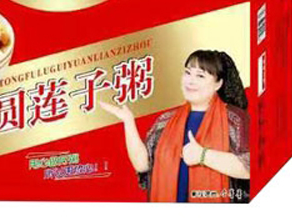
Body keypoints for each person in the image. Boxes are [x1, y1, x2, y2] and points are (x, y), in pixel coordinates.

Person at [100, 50, 250, 203]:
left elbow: (249, 168)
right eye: (188, 73)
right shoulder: (165, 121)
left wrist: (202, 156)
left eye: (200, 76)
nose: (190, 81)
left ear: (218, 83)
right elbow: (142, 165)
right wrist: (128, 121)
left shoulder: (234, 120)